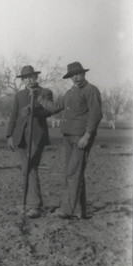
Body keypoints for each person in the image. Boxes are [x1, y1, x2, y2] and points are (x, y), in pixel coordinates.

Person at [38, 62, 103, 219]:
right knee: (74, 172)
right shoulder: (70, 92)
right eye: (72, 75)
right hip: (67, 136)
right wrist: (41, 99)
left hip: (81, 138)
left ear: (84, 74)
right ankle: (80, 211)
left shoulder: (91, 90)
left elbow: (96, 114)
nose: (75, 77)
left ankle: (66, 210)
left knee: (73, 173)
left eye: (78, 74)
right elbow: (54, 108)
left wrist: (87, 136)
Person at [6, 65, 54, 219]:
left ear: (36, 77)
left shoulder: (45, 92)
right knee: (25, 168)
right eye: (26, 78)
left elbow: (48, 111)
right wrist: (9, 136)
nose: (29, 80)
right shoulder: (19, 95)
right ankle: (26, 203)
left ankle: (35, 206)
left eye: (31, 77)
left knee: (31, 167)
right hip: (19, 137)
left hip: (36, 136)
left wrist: (33, 109)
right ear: (23, 80)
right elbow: (13, 116)